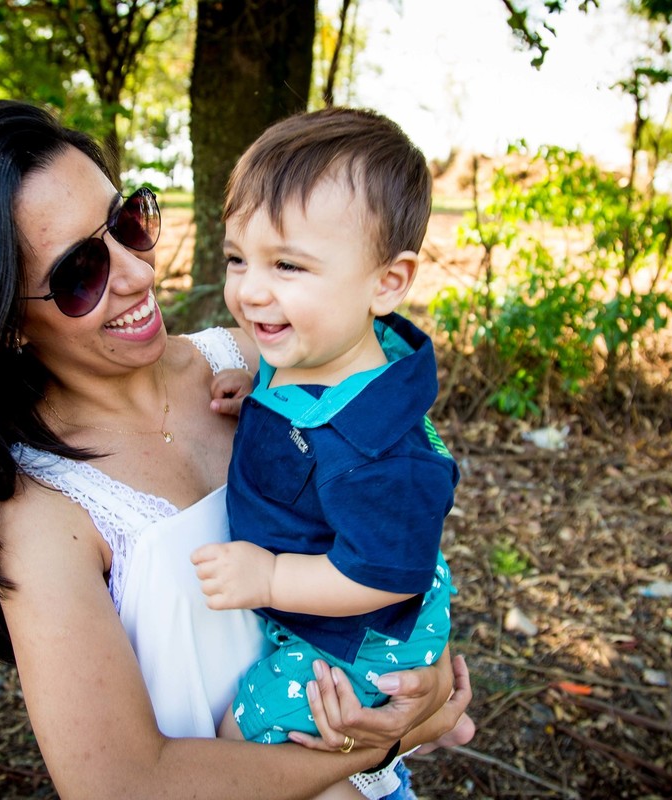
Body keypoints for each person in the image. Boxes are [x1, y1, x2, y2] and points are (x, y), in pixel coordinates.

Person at [0, 99, 472, 799]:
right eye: (79, 273)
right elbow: (122, 787)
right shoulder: (41, 513)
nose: (137, 272)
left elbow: (389, 518)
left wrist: (421, 675)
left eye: (128, 222)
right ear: (0, 316)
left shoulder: (261, 365)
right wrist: (381, 743)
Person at [191, 107, 471, 799]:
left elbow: (383, 576)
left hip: (362, 634)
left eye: (287, 264)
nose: (250, 289)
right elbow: (295, 403)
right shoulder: (310, 353)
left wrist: (270, 579)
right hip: (339, 612)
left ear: (387, 283)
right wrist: (256, 393)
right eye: (238, 259)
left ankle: (382, 772)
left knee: (245, 740)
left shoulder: (387, 452)